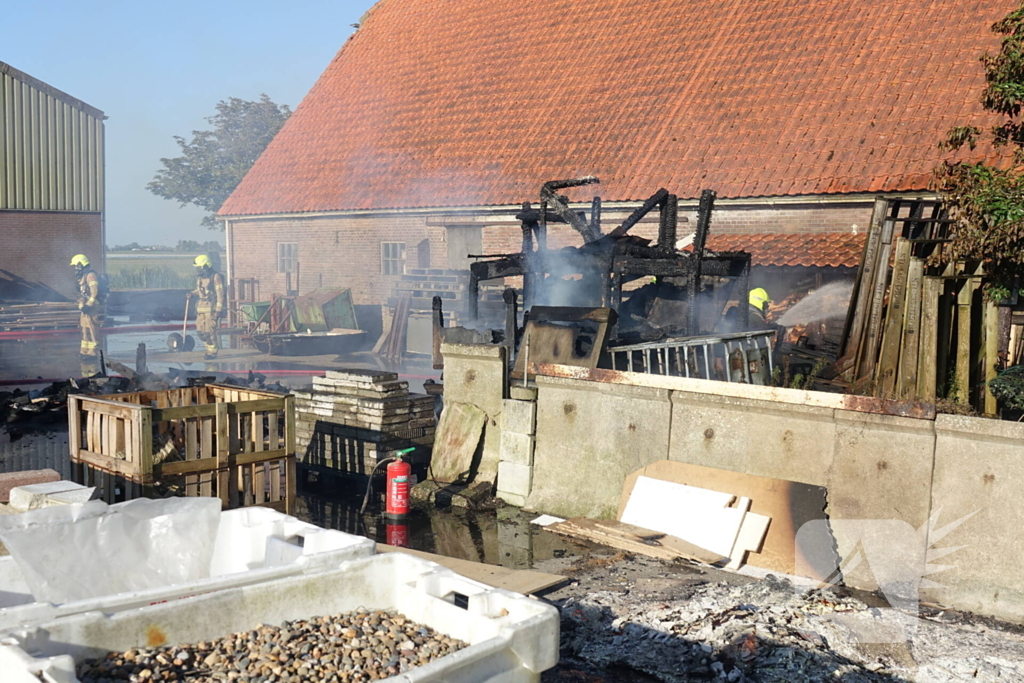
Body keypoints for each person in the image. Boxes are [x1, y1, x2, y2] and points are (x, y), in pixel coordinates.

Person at [190, 254, 226, 360]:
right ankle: (208, 350)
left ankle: (212, 352)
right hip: (200, 309)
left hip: (211, 309)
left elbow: (220, 294)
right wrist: (192, 293)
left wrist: (218, 310)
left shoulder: (215, 277)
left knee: (208, 332)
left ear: (205, 266)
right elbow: (201, 291)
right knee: (200, 332)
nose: (198, 270)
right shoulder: (200, 278)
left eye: (199, 267)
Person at [70, 254, 105, 364]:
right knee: (84, 328)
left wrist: (88, 305)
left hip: (92, 306)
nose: (75, 268)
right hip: (85, 306)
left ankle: (93, 351)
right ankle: (85, 350)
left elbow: (94, 292)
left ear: (81, 265)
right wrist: (81, 303)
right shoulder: (82, 276)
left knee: (92, 327)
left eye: (76, 266)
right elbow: (82, 292)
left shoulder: (91, 275)